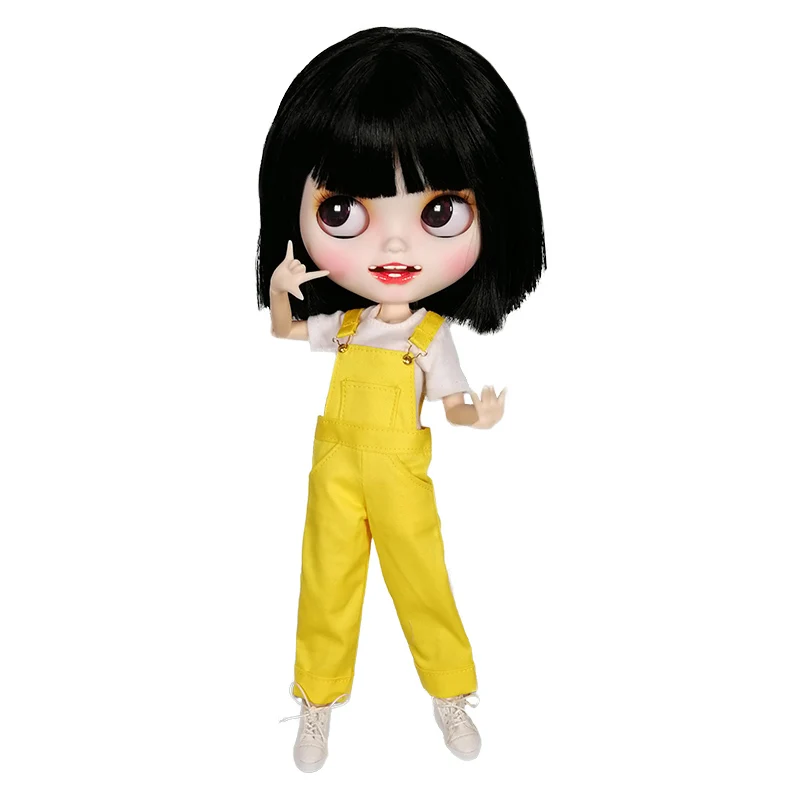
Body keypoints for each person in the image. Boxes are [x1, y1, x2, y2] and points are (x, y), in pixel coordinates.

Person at [257, 26, 546, 771]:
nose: (392, 247)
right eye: (343, 212)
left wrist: (475, 414)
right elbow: (284, 330)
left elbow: (450, 402)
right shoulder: (346, 325)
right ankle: (315, 701)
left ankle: (450, 694)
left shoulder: (430, 334)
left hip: (398, 474)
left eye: (437, 211)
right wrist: (282, 290)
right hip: (335, 470)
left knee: (422, 582)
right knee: (325, 581)